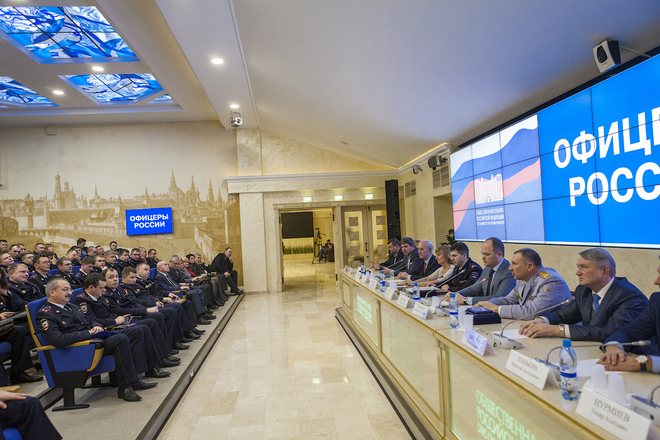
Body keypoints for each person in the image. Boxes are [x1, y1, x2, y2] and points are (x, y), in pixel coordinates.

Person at [37, 278, 155, 401]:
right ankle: (125, 387)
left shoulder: (71, 306)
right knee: (120, 339)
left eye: (70, 289)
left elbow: (90, 320)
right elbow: (59, 340)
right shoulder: (46, 314)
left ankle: (134, 378)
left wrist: (96, 326)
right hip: (79, 348)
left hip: (93, 340)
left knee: (135, 331)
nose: (70, 293)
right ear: (52, 292)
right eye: (65, 289)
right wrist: (88, 333)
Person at [520, 248, 648, 340]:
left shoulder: (629, 296)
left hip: (630, 355)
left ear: (604, 271)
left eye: (584, 267)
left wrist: (557, 330)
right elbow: (565, 315)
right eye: (578, 267)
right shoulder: (584, 290)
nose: (577, 272)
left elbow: (610, 331)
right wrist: (541, 321)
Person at [73, 273, 176, 378]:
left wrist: (122, 319)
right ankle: (138, 374)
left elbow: (110, 312)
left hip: (115, 324)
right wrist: (115, 322)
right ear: (91, 287)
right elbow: (92, 321)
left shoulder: (98, 294)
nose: (104, 290)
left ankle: (156, 363)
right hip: (105, 330)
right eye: (101, 288)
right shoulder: (82, 301)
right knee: (139, 330)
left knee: (148, 324)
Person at [598, 258, 660, 373]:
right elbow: (628, 332)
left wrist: (646, 363)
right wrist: (614, 346)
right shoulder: (657, 301)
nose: (656, 281)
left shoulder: (629, 294)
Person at [476, 248, 572, 320]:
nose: (510, 268)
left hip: (559, 333)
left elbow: (533, 312)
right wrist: (485, 305)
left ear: (529, 266)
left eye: (514, 264)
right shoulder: (522, 278)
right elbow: (508, 300)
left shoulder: (551, 281)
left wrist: (497, 309)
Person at [0, 271, 42, 385]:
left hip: (5, 324)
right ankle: (3, 383)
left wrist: (6, 295)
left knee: (18, 330)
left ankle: (18, 373)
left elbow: (13, 308)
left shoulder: (2, 289)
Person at [449, 238, 515, 306]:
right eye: (482, 253)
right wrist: (455, 294)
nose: (483, 257)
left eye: (487, 254)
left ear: (499, 255)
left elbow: (499, 298)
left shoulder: (509, 272)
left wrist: (465, 300)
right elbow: (474, 289)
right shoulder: (487, 269)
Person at [155, 261, 211, 325]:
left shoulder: (167, 274)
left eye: (167, 264)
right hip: (174, 294)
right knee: (195, 293)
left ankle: (203, 312)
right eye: (165, 265)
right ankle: (199, 317)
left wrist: (182, 286)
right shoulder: (159, 277)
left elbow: (175, 284)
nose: (167, 266)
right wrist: (180, 288)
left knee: (199, 290)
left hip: (178, 290)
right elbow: (166, 288)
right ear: (160, 268)